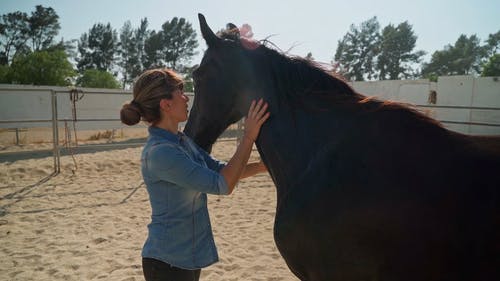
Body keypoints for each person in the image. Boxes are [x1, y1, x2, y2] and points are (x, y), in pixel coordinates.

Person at [120, 68, 270, 281]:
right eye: (179, 92)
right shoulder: (161, 153)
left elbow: (221, 170)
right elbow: (223, 184)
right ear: (166, 104)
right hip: (167, 263)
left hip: (186, 258)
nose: (186, 97)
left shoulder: (180, 141)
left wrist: (266, 166)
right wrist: (249, 137)